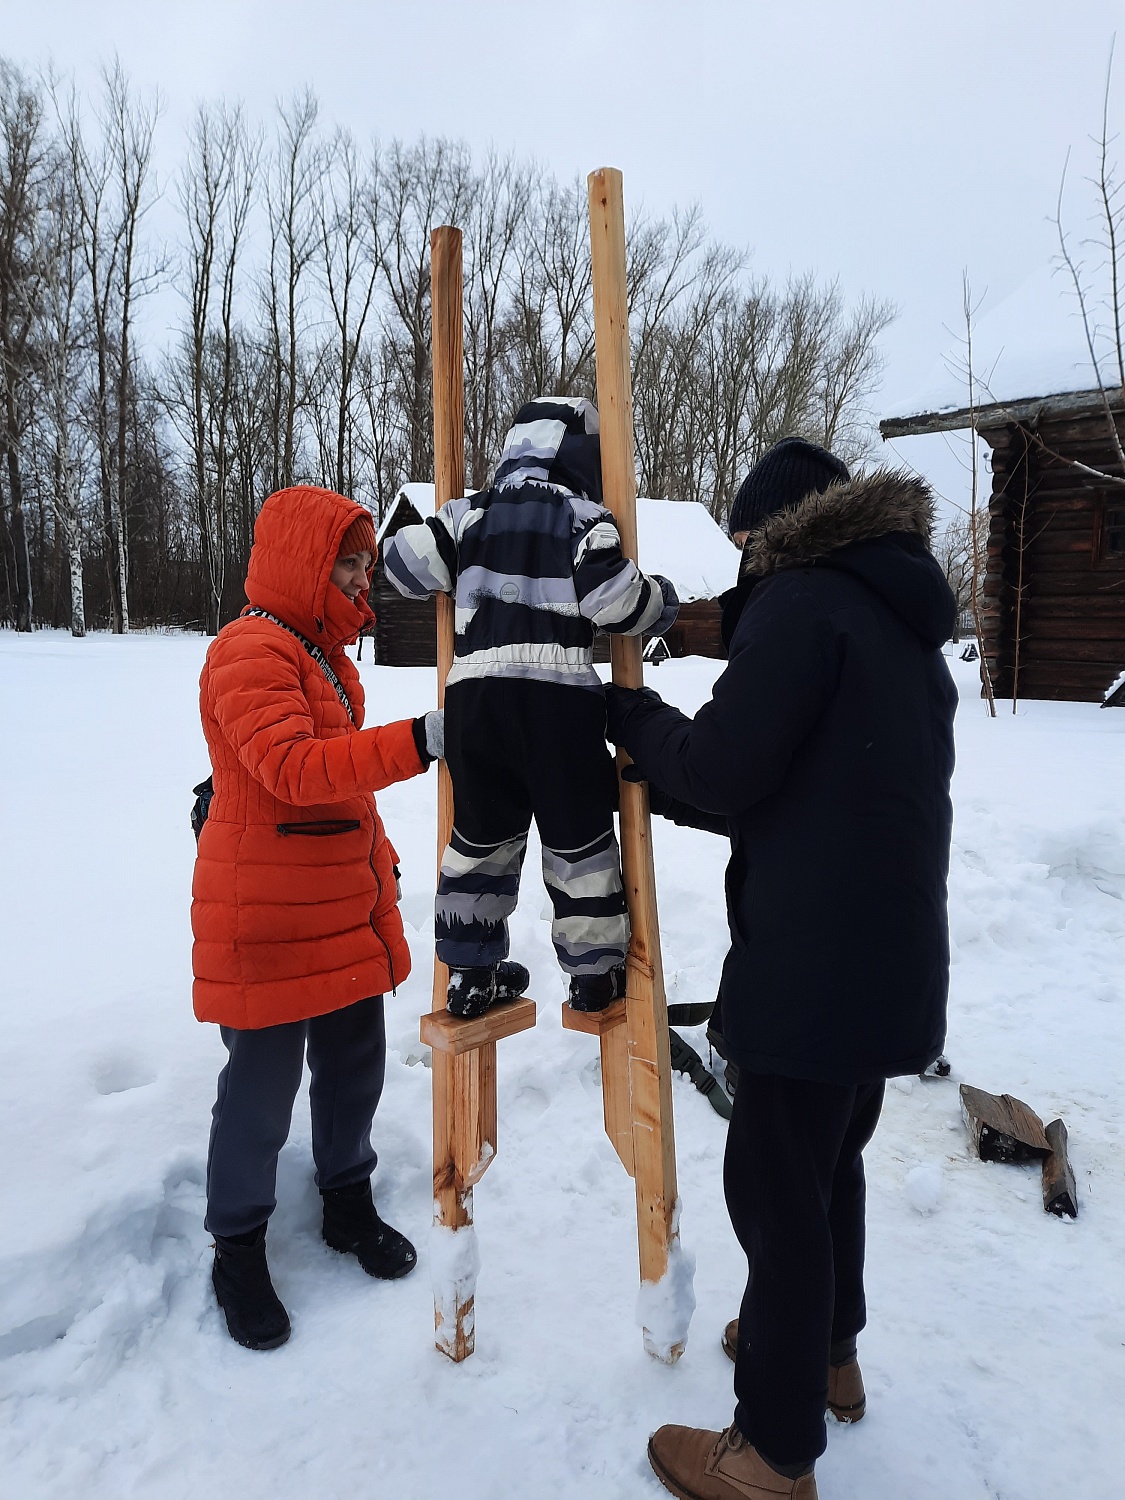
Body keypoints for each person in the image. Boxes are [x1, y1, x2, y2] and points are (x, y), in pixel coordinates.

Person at [605, 437, 957, 1500]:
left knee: (774, 1194)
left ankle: (771, 1452)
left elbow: (724, 766)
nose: (742, 562)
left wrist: (638, 726)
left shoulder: (806, 605)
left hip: (814, 966)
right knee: (824, 1169)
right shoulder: (893, 617)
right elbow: (777, 784)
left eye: (745, 541)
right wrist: (668, 749)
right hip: (885, 961)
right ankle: (827, 1359)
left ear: (778, 533)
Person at [192, 484, 444, 1351]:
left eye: (366, 563)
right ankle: (238, 1248)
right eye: (347, 561)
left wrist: (380, 869)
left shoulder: (324, 655)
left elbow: (340, 792)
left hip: (337, 904)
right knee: (260, 1092)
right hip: (266, 911)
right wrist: (422, 741)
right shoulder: (248, 649)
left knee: (353, 1068)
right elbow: (295, 769)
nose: (361, 578)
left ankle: (346, 1200)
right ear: (304, 561)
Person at [382, 396, 679, 1017]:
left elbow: (402, 567)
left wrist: (444, 532)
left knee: (480, 836)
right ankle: (593, 975)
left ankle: (469, 969)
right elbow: (613, 603)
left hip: (476, 702)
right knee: (579, 838)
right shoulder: (582, 516)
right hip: (557, 702)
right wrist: (662, 601)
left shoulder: (468, 516)